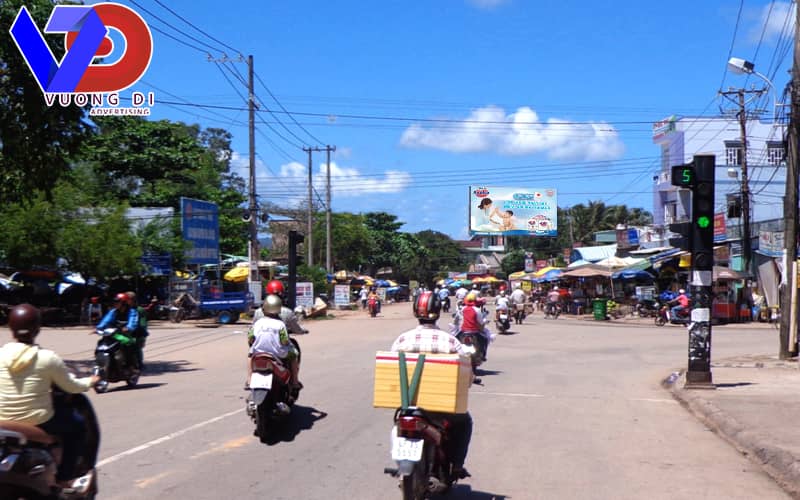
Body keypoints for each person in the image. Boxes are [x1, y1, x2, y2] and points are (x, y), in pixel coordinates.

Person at [0, 304, 100, 484]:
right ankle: (66, 477)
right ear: (37, 329)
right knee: (77, 426)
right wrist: (90, 381)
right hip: (38, 420)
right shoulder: (47, 358)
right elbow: (71, 386)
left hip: (3, 420)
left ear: (11, 329)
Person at [390, 291, 473, 479]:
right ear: (438, 311)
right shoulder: (451, 341)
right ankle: (457, 466)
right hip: (442, 406)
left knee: (397, 426)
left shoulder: (402, 340)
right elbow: (466, 376)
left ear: (414, 312)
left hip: (408, 404)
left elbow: (391, 369)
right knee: (465, 423)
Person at [248, 294, 301, 392]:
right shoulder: (280, 324)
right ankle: (294, 382)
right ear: (279, 310)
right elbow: (284, 341)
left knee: (250, 356)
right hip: (278, 354)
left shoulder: (257, 323)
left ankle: (249, 379)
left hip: (258, 352)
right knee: (294, 355)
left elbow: (250, 339)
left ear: (264, 309)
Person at [95, 292, 140, 368]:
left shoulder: (132, 312)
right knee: (101, 343)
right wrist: (98, 328)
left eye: (118, 302)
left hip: (125, 334)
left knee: (127, 344)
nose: (115, 304)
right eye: (115, 302)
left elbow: (132, 322)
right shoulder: (113, 312)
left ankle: (129, 365)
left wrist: (128, 328)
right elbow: (106, 320)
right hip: (113, 334)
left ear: (124, 303)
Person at [126, 291, 149, 371]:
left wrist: (143, 336)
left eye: (128, 299)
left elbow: (143, 323)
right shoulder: (123, 309)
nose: (126, 301)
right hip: (124, 332)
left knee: (137, 347)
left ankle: (140, 364)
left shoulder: (140, 310)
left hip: (137, 333)